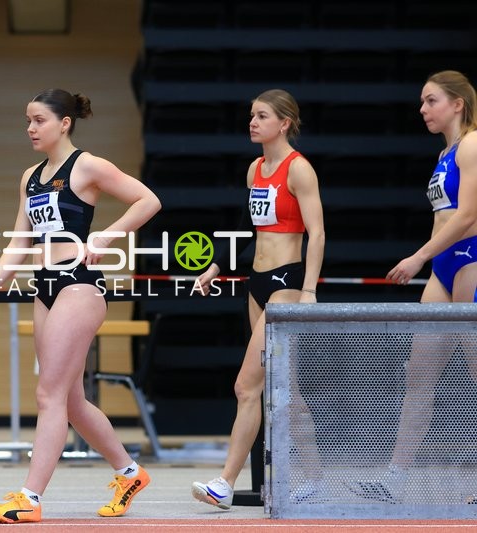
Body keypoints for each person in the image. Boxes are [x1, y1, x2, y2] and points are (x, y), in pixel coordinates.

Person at [0, 89, 161, 523]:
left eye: (39, 120)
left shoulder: (89, 166)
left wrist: (107, 235)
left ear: (65, 123)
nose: (30, 128)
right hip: (44, 287)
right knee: (71, 400)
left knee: (48, 393)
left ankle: (29, 499)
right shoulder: (30, 177)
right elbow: (21, 238)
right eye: (27, 120)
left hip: (80, 286)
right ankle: (130, 473)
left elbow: (148, 200)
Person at [346, 70, 477, 504]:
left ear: (458, 103)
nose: (423, 109)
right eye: (422, 102)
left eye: (431, 101)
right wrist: (429, 259)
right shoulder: (445, 154)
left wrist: (418, 256)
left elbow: (467, 217)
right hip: (443, 266)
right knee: (417, 373)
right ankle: (396, 478)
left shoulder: (474, 144)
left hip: (471, 258)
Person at [190, 89, 325, 509]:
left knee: (246, 385)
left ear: (283, 123)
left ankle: (225, 482)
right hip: (257, 281)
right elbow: (252, 231)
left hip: (287, 282)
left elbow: (317, 233)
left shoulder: (298, 169)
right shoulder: (255, 170)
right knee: (283, 388)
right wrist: (216, 267)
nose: (253, 122)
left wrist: (309, 291)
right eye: (251, 115)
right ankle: (317, 477)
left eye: (262, 116)